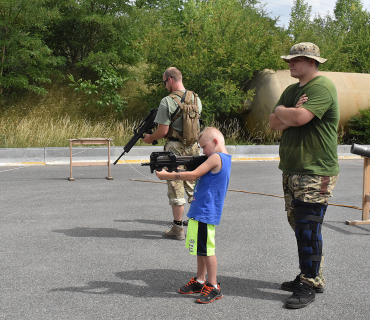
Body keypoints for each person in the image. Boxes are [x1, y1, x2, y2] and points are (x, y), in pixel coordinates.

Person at [269, 42, 340, 309]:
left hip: (315, 169)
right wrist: (285, 113)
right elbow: (273, 123)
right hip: (292, 169)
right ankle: (312, 274)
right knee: (298, 225)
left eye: (296, 60)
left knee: (308, 228)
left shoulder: (322, 87)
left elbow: (298, 118)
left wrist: (284, 112)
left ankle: (309, 281)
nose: (290, 63)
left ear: (312, 62)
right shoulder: (290, 90)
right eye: (289, 59)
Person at [156, 127, 232, 304]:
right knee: (201, 249)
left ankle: (213, 286)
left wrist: (169, 175)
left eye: (203, 147)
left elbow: (194, 174)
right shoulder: (223, 158)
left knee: (207, 250)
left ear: (215, 142)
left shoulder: (216, 157)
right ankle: (200, 281)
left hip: (206, 212)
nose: (202, 151)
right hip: (201, 210)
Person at [143, 67, 202, 241]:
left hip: (174, 149)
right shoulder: (197, 99)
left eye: (164, 82)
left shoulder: (167, 101)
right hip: (194, 147)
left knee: (176, 185)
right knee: (193, 186)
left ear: (170, 80)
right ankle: (198, 224)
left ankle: (178, 229)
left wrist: (149, 138)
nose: (164, 86)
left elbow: (162, 131)